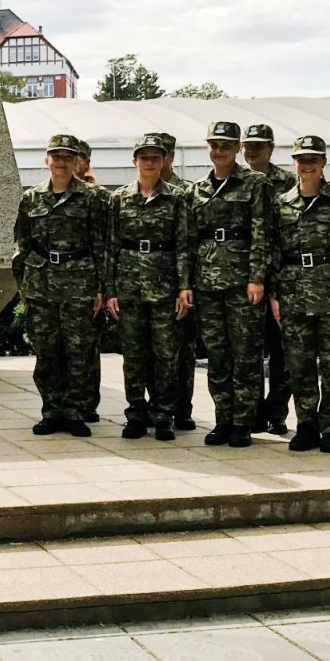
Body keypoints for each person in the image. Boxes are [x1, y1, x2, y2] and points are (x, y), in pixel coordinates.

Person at [271, 135, 330, 454]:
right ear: (294, 163)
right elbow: (274, 252)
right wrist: (274, 294)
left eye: (313, 159)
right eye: (302, 159)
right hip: (294, 295)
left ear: (324, 162)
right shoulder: (282, 204)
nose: (307, 164)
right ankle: (307, 425)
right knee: (299, 366)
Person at [12, 134, 105, 437]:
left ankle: (75, 411)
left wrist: (102, 288)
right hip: (41, 284)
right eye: (56, 156)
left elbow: (101, 245)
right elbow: (22, 244)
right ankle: (51, 411)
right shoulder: (32, 198)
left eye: (67, 157)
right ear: (47, 160)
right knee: (47, 351)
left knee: (79, 351)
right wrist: (23, 286)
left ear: (76, 162)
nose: (61, 162)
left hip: (80, 283)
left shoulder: (92, 197)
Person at [189, 121, 272, 448]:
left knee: (246, 355)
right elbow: (190, 239)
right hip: (208, 283)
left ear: (238, 148)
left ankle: (243, 423)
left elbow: (262, 232)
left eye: (226, 145)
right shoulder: (198, 189)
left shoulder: (255, 183)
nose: (219, 150)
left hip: (242, 283)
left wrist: (256, 277)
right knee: (217, 356)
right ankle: (223, 418)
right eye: (214, 145)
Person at [105, 134, 192, 441]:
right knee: (134, 355)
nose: (150, 162)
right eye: (144, 157)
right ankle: (136, 413)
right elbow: (111, 246)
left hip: (164, 286)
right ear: (135, 161)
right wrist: (110, 290)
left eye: (155, 157)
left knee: (166, 355)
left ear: (164, 160)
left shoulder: (177, 198)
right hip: (129, 287)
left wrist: (184, 287)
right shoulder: (119, 198)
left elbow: (183, 244)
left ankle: (164, 415)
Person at [242, 122, 296, 436]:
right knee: (248, 351)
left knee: (282, 353)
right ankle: (251, 413)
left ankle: (277, 412)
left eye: (259, 145)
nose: (252, 150)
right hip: (245, 277)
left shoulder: (289, 182)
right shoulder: (233, 181)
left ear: (271, 148)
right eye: (248, 145)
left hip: (282, 278)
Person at [154, 133, 198, 431]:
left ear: (170, 156)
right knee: (153, 351)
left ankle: (183, 409)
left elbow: (190, 241)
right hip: (151, 284)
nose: (161, 160)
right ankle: (156, 407)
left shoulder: (187, 192)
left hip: (181, 283)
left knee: (183, 351)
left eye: (166, 153)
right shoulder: (136, 191)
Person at [74, 140, 104, 424]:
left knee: (87, 349)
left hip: (87, 283)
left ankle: (86, 403)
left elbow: (104, 243)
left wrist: (102, 286)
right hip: (56, 284)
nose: (75, 162)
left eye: (80, 157)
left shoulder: (98, 196)